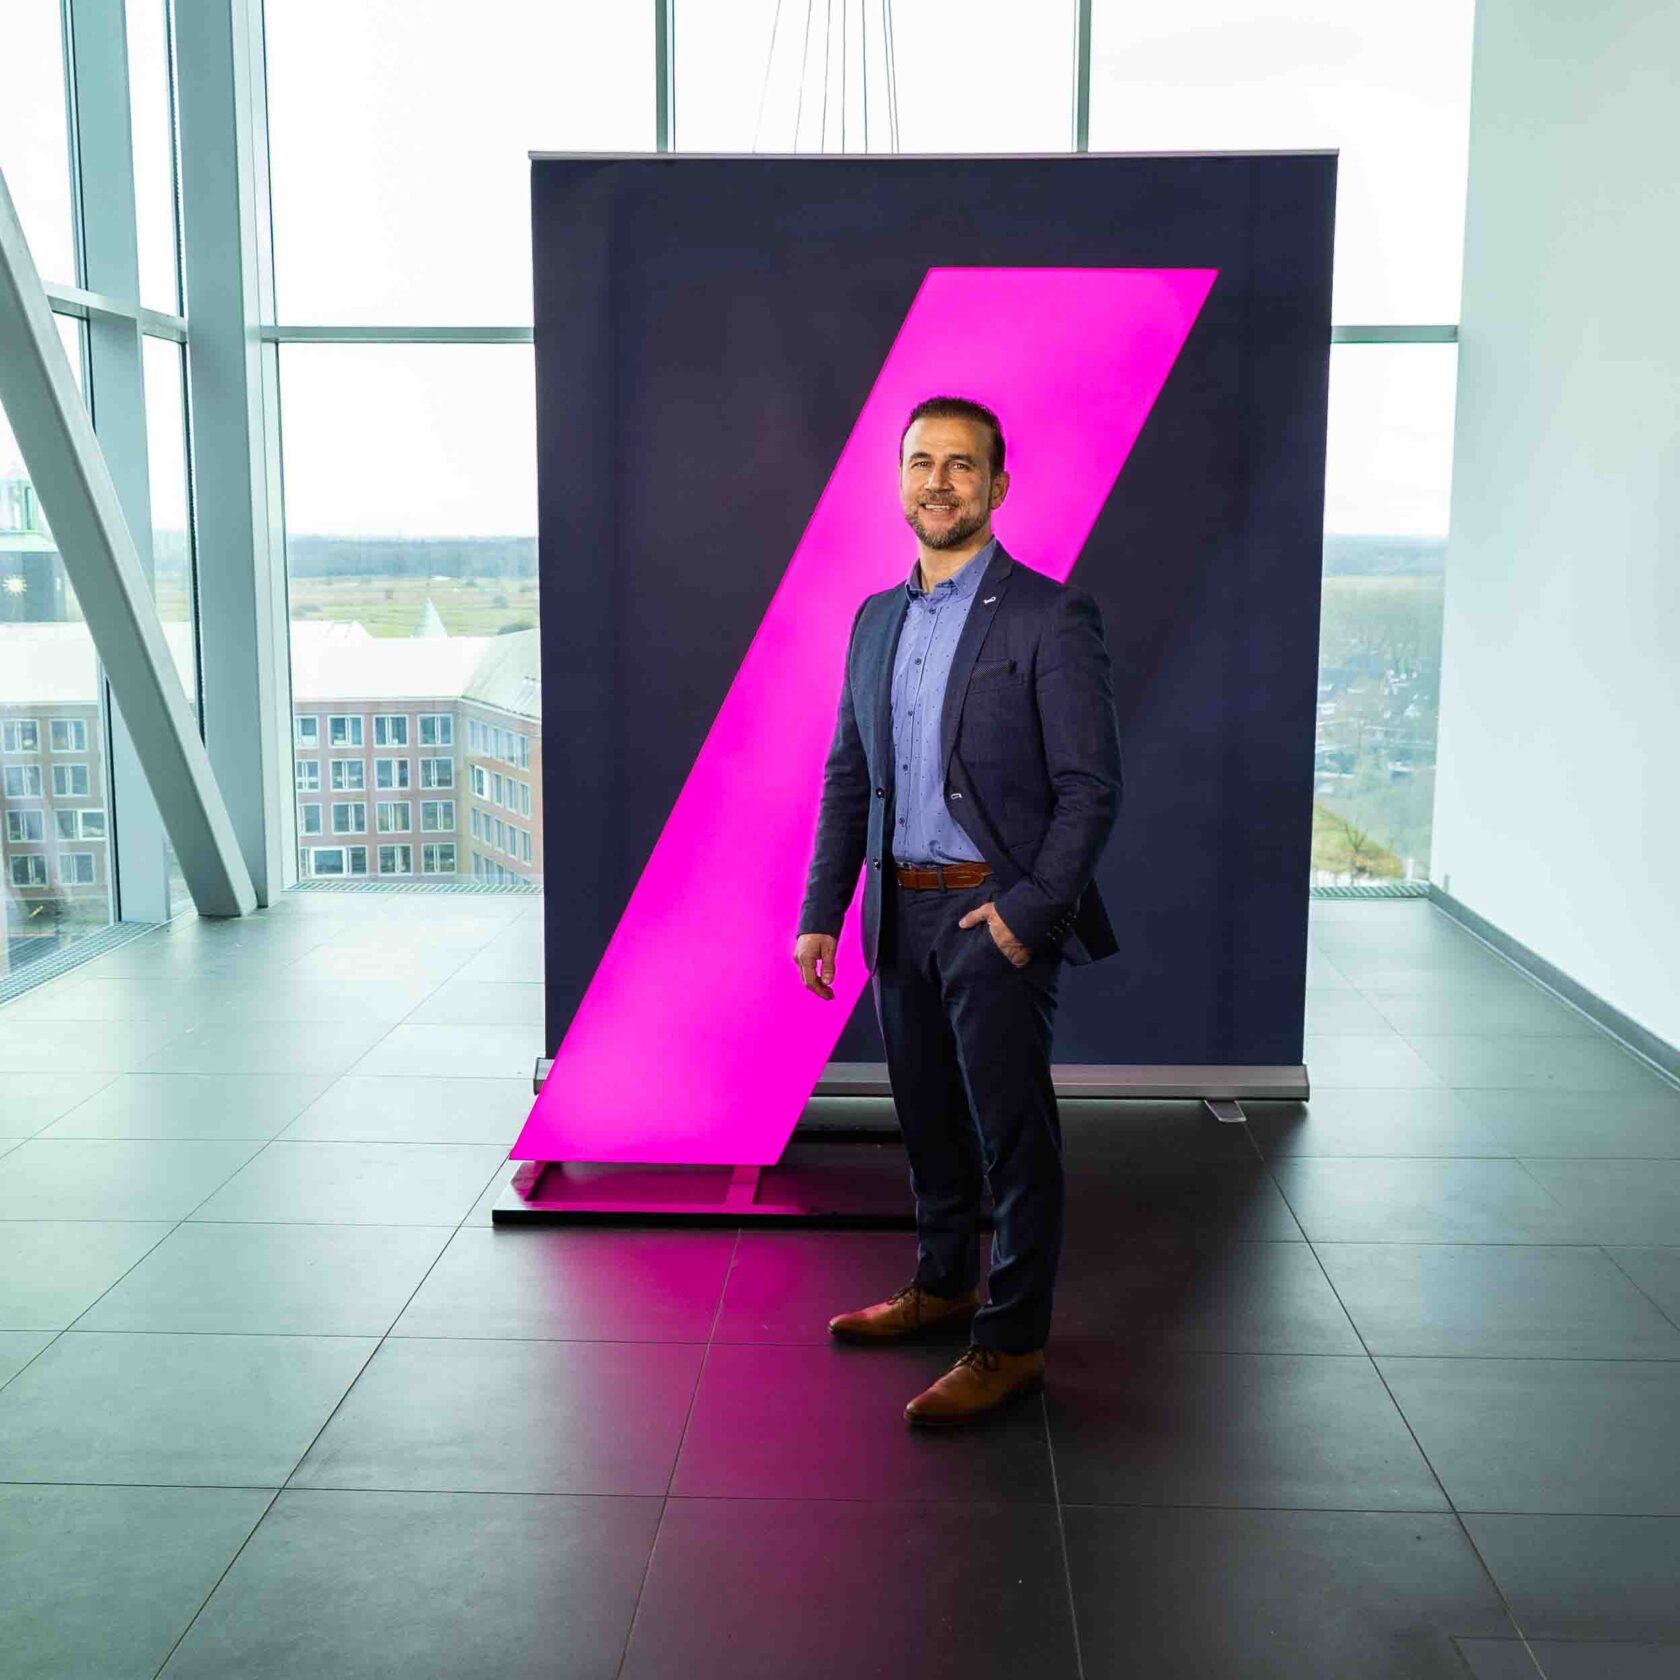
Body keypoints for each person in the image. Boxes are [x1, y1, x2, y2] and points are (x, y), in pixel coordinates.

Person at [794, 394, 1124, 1427]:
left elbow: (1090, 788)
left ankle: (1011, 1338)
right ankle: (941, 1286)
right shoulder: (874, 619)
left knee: (1012, 1138)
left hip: (991, 918)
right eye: (920, 463)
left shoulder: (1048, 615)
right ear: (899, 481)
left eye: (962, 465)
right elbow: (851, 774)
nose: (938, 481)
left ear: (998, 485)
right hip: (898, 916)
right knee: (928, 1121)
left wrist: (1028, 912)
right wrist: (823, 910)